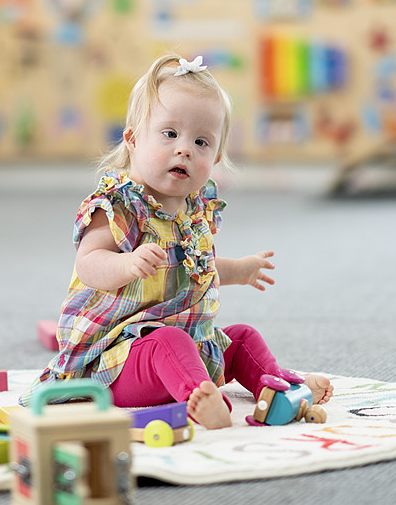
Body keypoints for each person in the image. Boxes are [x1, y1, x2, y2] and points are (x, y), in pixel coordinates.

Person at [20, 54, 332, 428]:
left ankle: (278, 385)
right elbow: (88, 264)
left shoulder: (194, 214)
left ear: (215, 157)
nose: (184, 148)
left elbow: (198, 269)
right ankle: (200, 398)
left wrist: (241, 270)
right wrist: (126, 264)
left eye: (201, 141)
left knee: (242, 339)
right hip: (119, 358)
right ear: (133, 140)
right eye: (170, 134)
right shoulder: (119, 205)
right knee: (168, 341)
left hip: (186, 343)